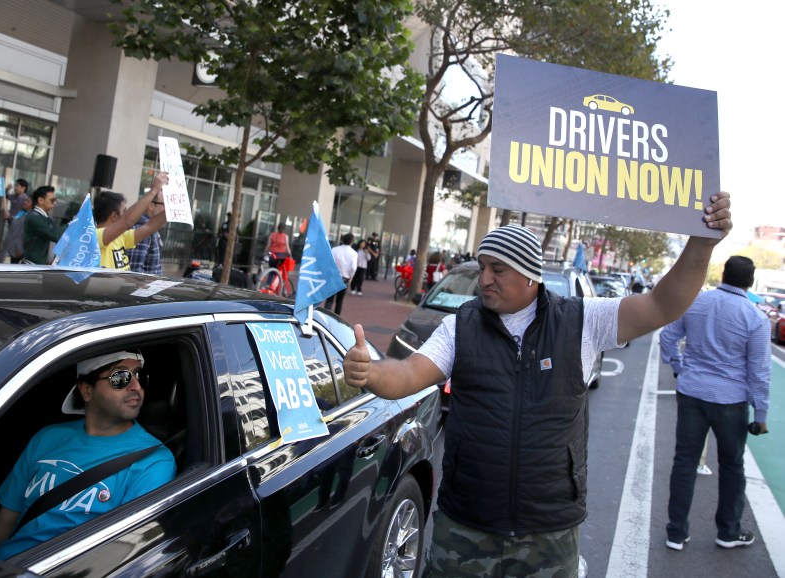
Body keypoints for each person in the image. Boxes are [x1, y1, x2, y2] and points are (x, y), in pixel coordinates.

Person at [342, 193, 731, 577]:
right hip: (465, 523)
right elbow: (409, 374)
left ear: (530, 274)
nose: (485, 279)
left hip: (550, 530)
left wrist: (700, 245)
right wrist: (371, 372)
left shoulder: (582, 322)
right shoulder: (460, 327)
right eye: (482, 267)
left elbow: (663, 305)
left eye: (498, 268)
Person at [0, 350, 176, 560]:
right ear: (86, 391)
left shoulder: (153, 461)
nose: (136, 386)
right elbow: (0, 531)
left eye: (139, 376)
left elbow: (120, 558)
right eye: (121, 377)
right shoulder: (48, 438)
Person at [660, 255, 769, 551]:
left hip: (692, 393)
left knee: (684, 462)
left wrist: (680, 367)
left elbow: (667, 338)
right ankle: (728, 532)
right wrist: (760, 414)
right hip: (731, 402)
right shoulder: (755, 318)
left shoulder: (696, 302)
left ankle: (676, 533)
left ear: (723, 275)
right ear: (750, 281)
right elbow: (759, 372)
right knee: (732, 466)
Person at [93, 172, 169, 270]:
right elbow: (127, 220)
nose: (127, 213)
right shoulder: (95, 237)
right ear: (114, 216)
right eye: (124, 211)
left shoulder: (120, 237)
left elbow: (149, 227)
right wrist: (154, 190)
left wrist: (172, 209)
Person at [126, 189, 165, 275]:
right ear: (151, 206)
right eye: (165, 205)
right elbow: (134, 272)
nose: (168, 211)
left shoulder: (151, 230)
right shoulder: (143, 231)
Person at [24, 185, 65, 264]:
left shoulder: (44, 217)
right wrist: (70, 225)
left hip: (39, 264)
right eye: (52, 200)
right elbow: (54, 235)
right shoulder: (34, 217)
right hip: (32, 264)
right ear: (40, 200)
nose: (55, 202)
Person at [324, 232, 357, 316]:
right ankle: (336, 319)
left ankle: (325, 316)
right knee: (339, 301)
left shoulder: (334, 249)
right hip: (344, 278)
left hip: (333, 277)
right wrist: (351, 277)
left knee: (329, 299)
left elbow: (328, 262)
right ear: (351, 241)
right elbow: (353, 268)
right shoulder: (353, 253)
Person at [2, 193, 31, 264]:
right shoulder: (21, 212)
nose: (25, 202)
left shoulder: (31, 217)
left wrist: (20, 249)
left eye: (28, 201)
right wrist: (9, 217)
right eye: (25, 201)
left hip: (22, 249)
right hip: (14, 247)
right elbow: (14, 222)